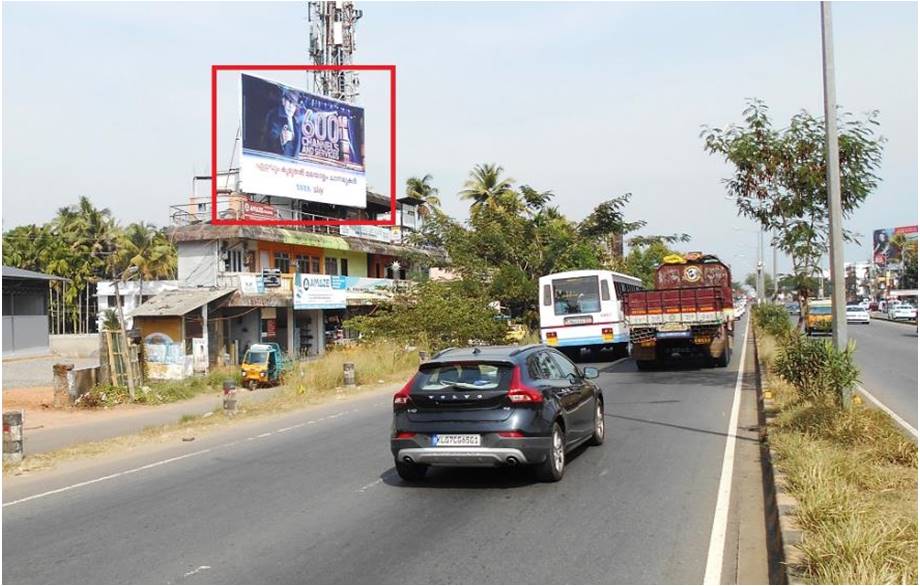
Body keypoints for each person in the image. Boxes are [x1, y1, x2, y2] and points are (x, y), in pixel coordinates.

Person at [262, 89, 303, 158]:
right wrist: (281, 139)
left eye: (294, 104)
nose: (291, 107)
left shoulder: (296, 122)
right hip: (277, 164)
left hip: (293, 166)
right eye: (290, 102)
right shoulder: (274, 116)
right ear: (283, 101)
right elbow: (268, 142)